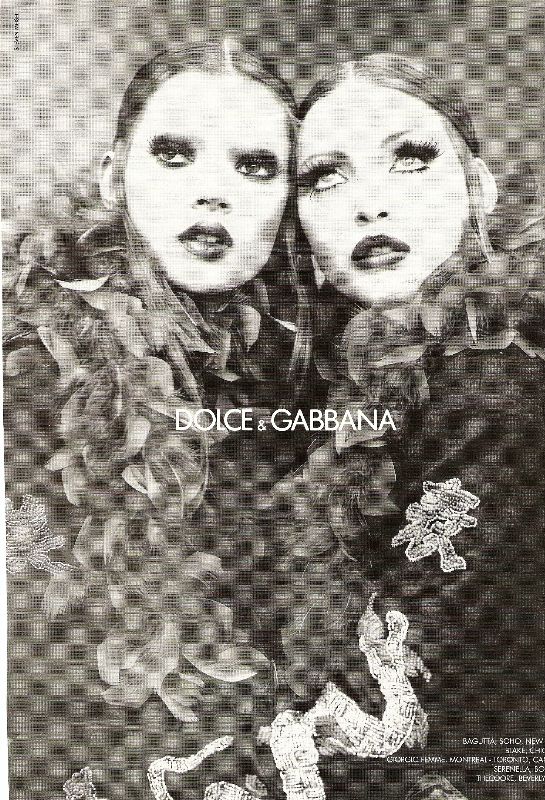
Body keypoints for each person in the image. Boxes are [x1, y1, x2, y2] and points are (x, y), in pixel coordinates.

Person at [269, 54, 545, 800]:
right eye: (326, 177)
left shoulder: (499, 394)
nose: (370, 205)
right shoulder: (360, 386)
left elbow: (391, 686)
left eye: (409, 159)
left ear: (479, 190)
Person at [4, 41, 309, 798]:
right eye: (174, 154)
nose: (213, 193)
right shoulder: (24, 368)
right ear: (113, 177)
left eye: (255, 167)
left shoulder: (296, 371)